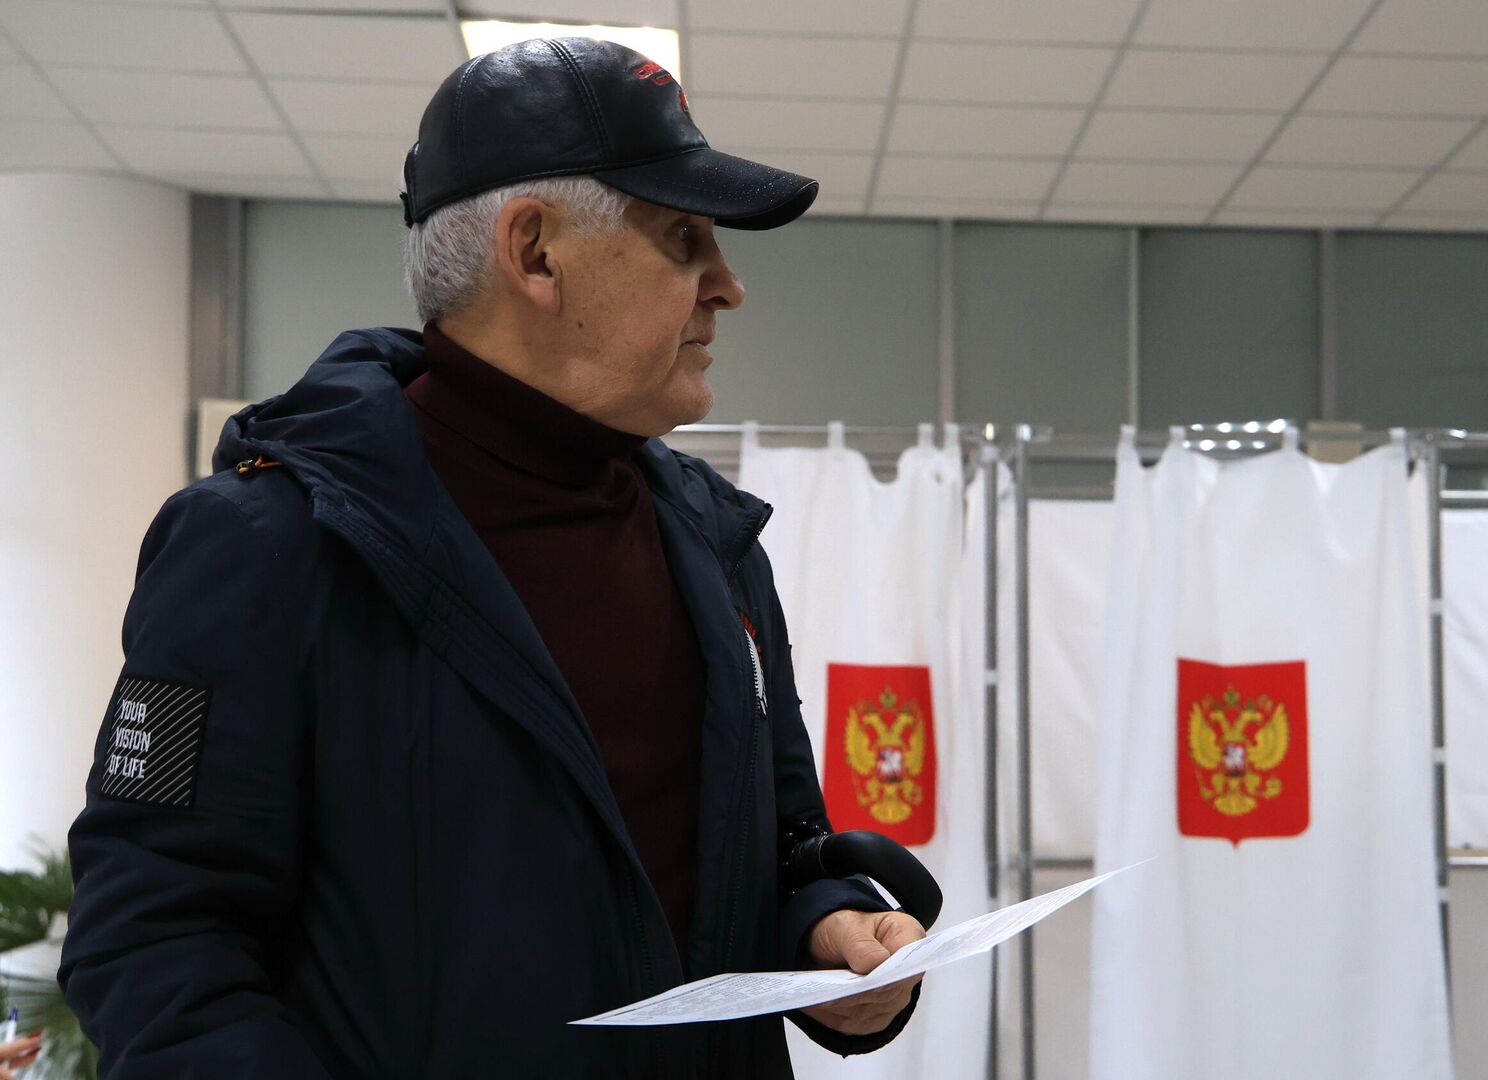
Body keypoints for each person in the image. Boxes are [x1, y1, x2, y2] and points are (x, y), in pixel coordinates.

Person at [59, 38, 926, 1078]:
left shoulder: (717, 543)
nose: (727, 285)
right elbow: (152, 941)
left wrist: (827, 930)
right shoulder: (263, 549)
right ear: (536, 252)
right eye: (683, 236)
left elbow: (784, 844)